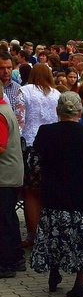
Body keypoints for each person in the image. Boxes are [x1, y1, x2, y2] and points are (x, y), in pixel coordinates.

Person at [30, 91, 83, 297]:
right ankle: (80, 283)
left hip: (54, 195)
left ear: (57, 111)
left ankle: (54, 275)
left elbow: (34, 163)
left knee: (54, 235)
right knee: (81, 239)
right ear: (79, 112)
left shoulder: (46, 132)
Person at [17, 63, 61, 249]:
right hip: (53, 146)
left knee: (31, 193)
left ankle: (33, 235)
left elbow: (20, 120)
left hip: (30, 145)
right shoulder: (57, 94)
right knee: (50, 190)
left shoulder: (24, 91)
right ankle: (52, 233)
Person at [0, 84, 24, 278]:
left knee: (4, 219)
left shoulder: (0, 113)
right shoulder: (5, 109)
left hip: (4, 175)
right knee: (9, 218)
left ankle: (7, 263)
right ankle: (16, 258)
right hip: (11, 172)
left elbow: (0, 146)